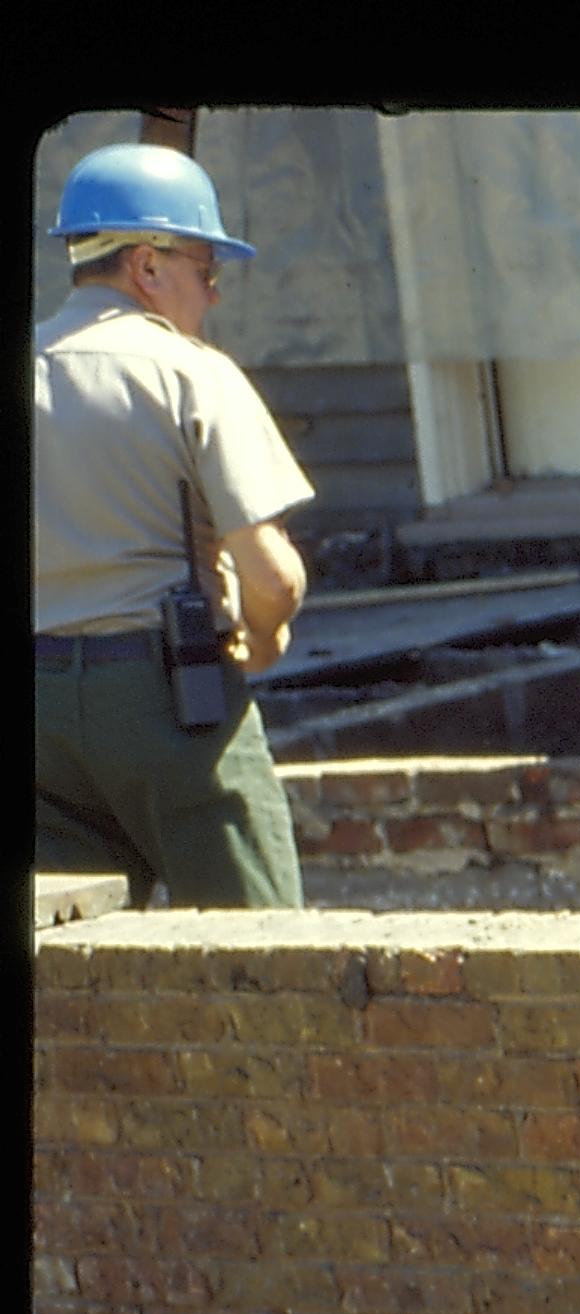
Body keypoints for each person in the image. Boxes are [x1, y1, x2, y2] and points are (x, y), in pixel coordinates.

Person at [33, 142, 312, 909]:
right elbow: (274, 576)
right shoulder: (189, 371)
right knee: (259, 949)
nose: (213, 296)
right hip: (171, 692)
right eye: (206, 269)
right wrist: (264, 632)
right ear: (148, 266)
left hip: (37, 714)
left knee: (68, 955)